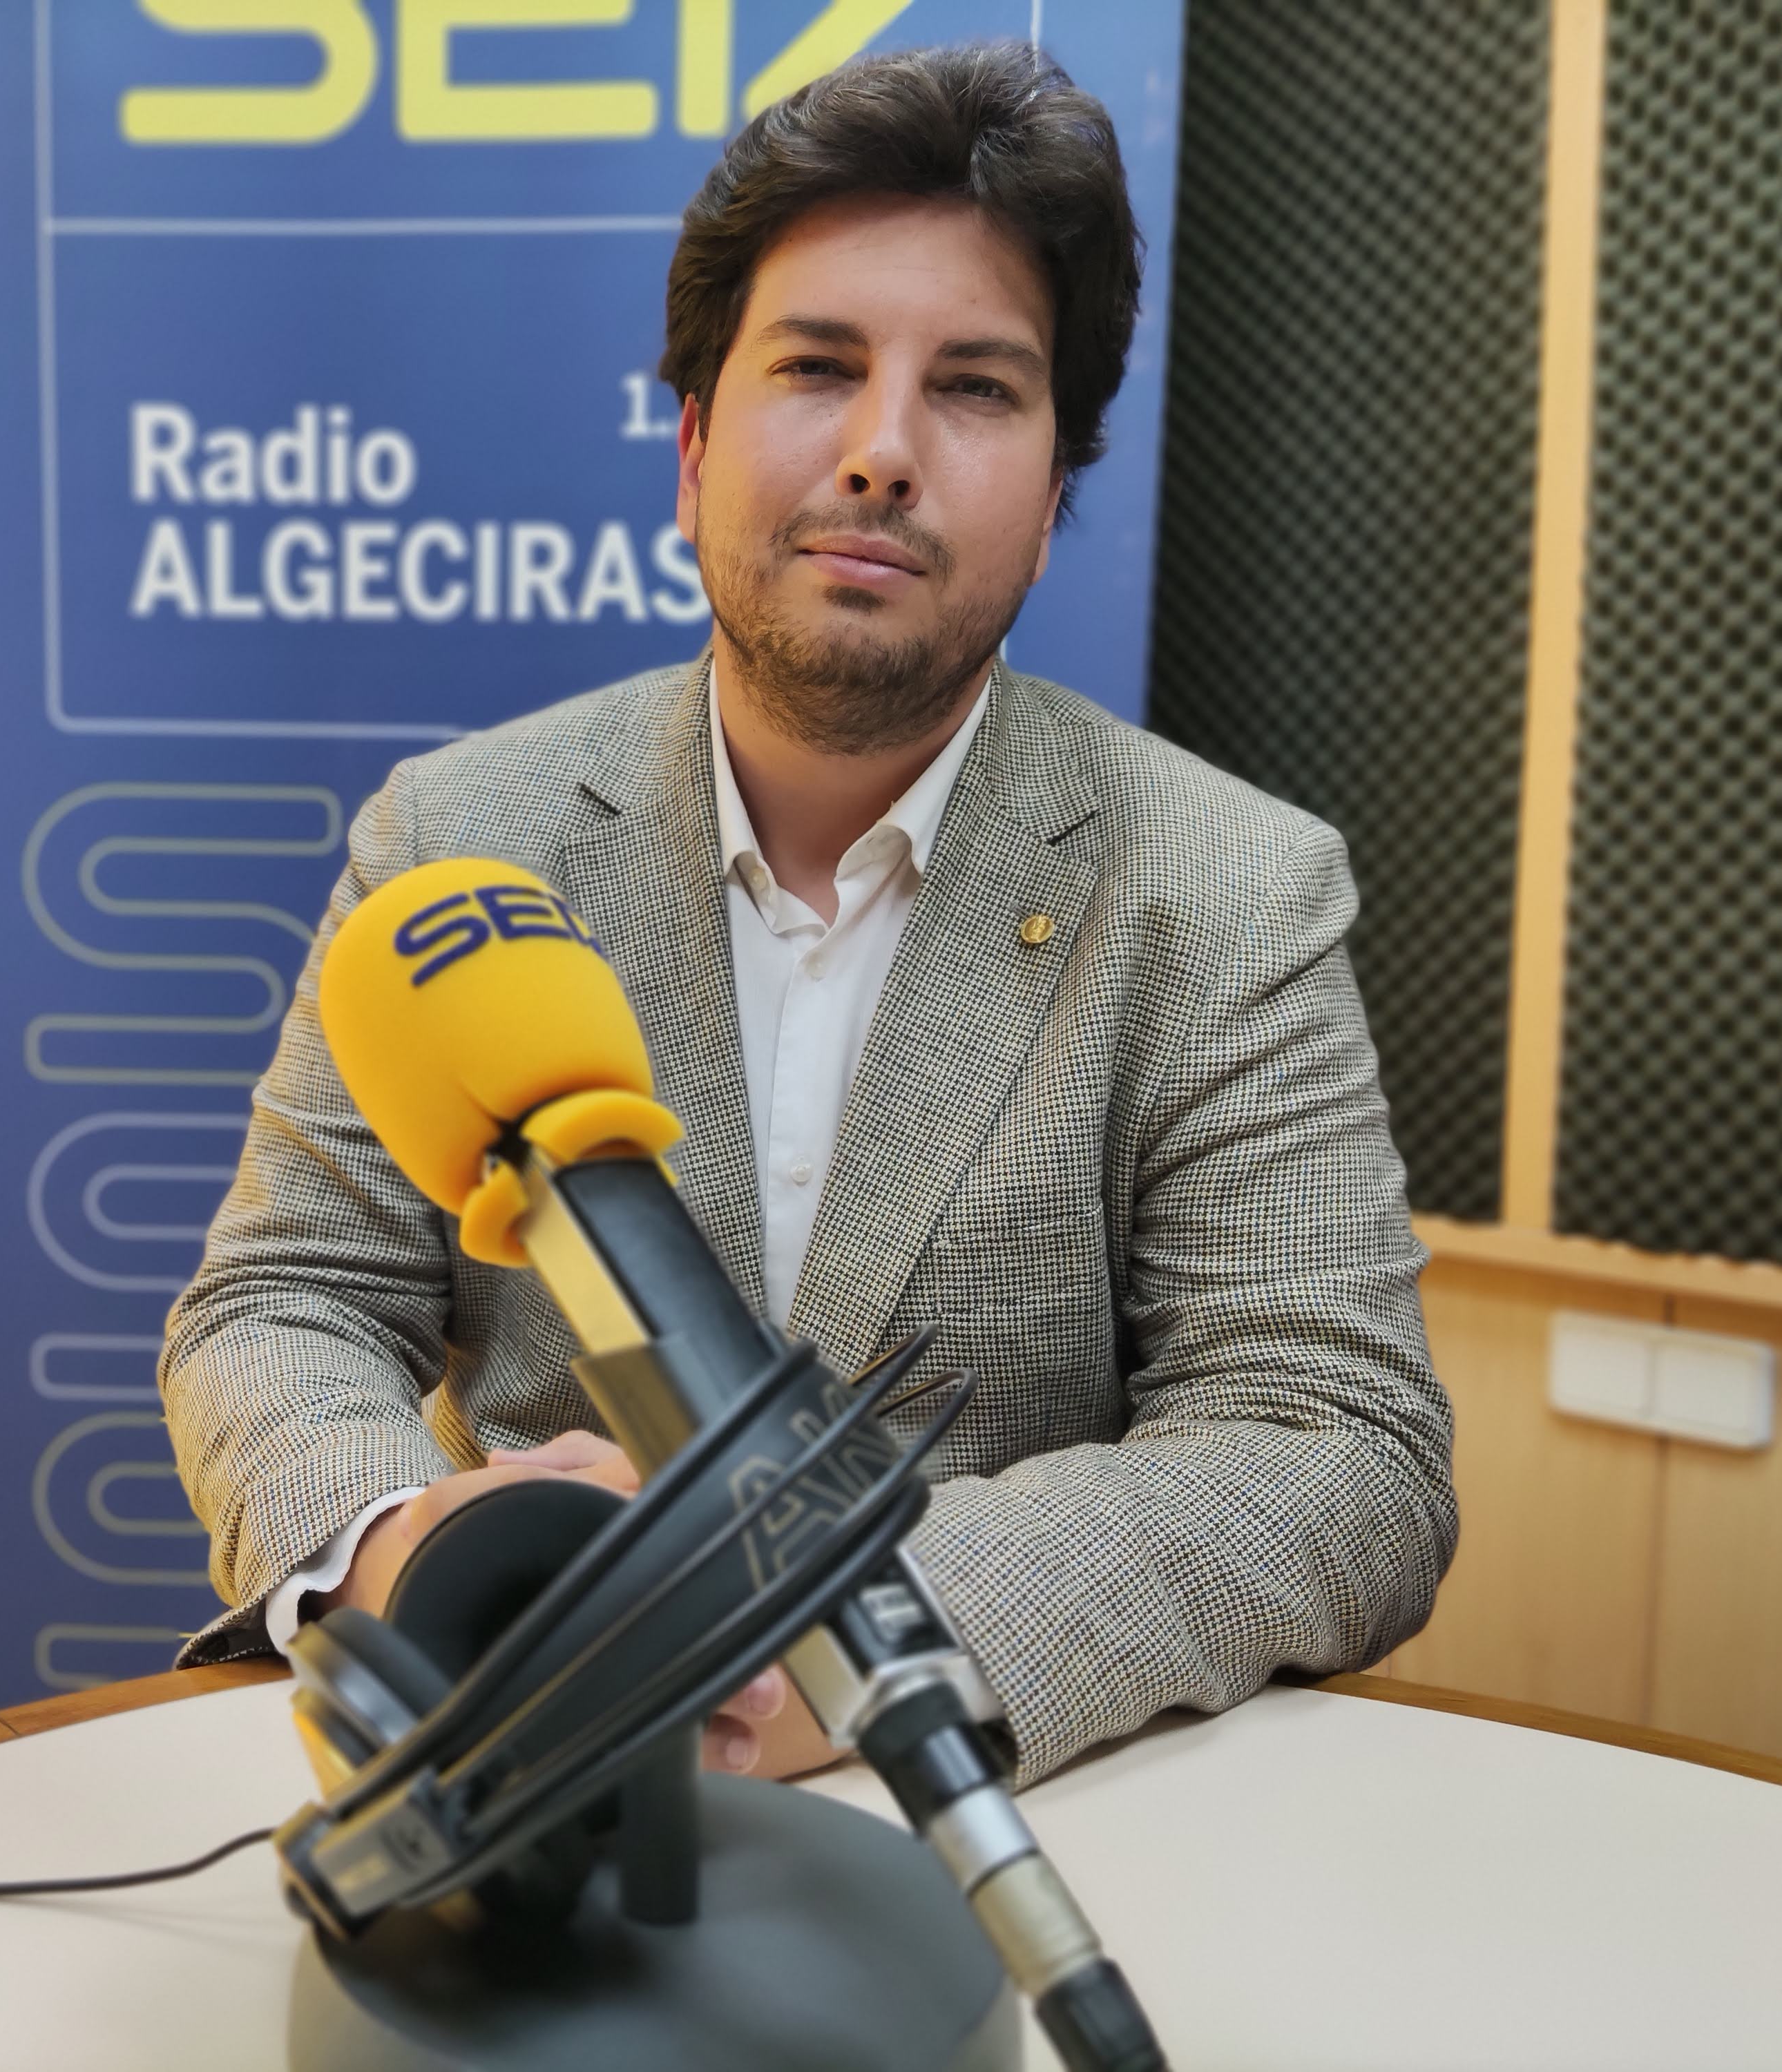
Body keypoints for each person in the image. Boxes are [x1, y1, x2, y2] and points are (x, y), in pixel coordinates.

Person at [160, 42, 1457, 1787]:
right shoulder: (458, 834)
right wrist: (421, 1556)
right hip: (533, 1779)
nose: (880, 453)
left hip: (1002, 1814)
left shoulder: (1226, 889)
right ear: (692, 442)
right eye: (817, 369)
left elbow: (1334, 1442)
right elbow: (282, 1303)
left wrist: (835, 1630)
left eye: (975, 390)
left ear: (1053, 498)